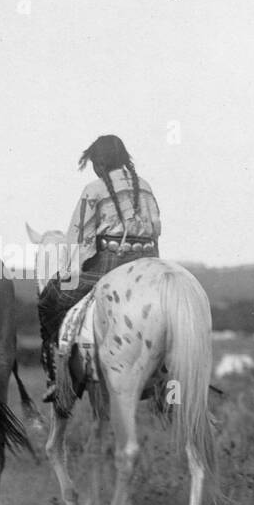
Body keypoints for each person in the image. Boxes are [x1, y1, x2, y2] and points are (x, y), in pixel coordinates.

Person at [38, 134, 161, 401]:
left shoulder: (94, 190)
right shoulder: (146, 186)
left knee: (49, 298)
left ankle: (57, 377)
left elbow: (78, 238)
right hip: (149, 265)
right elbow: (156, 230)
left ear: (99, 164)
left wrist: (68, 272)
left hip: (110, 265)